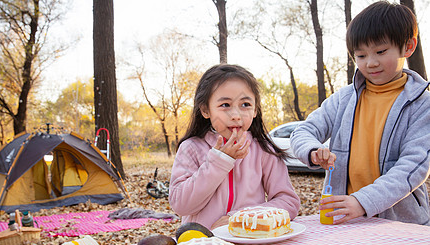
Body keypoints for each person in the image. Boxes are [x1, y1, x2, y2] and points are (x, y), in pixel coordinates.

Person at [291, 1, 430, 225]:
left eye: (381, 51)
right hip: (344, 219)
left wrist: (362, 201)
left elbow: (412, 167)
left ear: (408, 46)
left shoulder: (422, 105)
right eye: (361, 55)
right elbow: (303, 131)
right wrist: (313, 150)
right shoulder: (343, 100)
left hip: (401, 225)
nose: (371, 63)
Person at [169, 64, 300, 230]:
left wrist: (240, 218)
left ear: (255, 110)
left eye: (245, 104)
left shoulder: (263, 150)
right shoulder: (191, 148)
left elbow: (288, 202)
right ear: (205, 110)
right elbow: (180, 205)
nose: (236, 115)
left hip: (252, 243)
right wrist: (219, 162)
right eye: (225, 105)